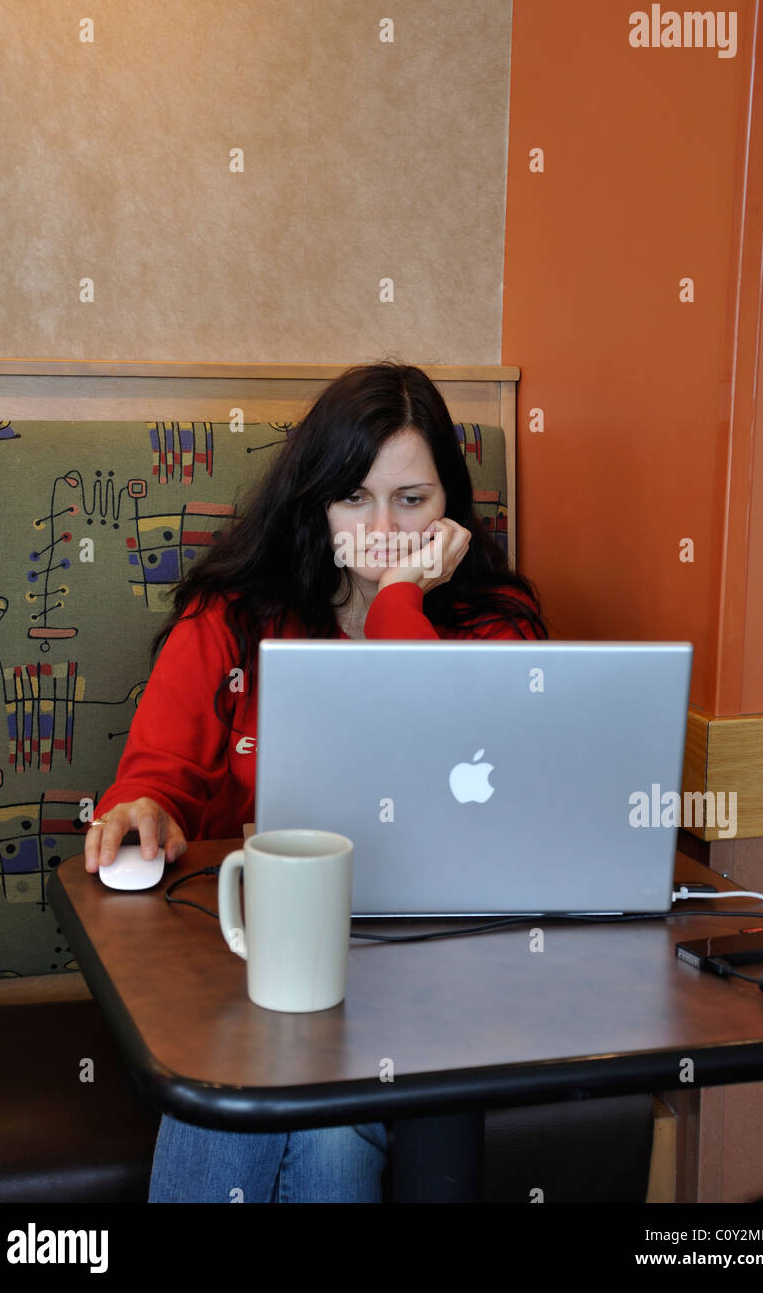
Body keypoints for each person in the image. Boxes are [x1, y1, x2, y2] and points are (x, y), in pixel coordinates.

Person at [84, 359, 548, 1202]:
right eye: (353, 497)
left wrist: (399, 601)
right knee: (321, 1127)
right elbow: (159, 774)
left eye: (411, 500)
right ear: (314, 499)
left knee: (315, 1116)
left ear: (452, 507)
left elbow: (453, 766)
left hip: (426, 968)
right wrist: (141, 806)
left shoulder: (495, 626)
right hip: (247, 960)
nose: (382, 529)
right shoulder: (233, 614)